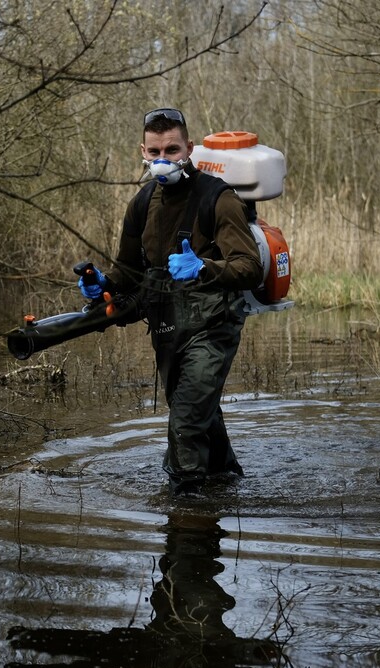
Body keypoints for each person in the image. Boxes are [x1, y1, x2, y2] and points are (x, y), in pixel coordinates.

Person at [81, 108, 263, 495]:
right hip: (168, 329)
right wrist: (102, 286)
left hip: (214, 327)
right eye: (155, 151)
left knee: (184, 421)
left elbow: (249, 267)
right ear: (143, 153)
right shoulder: (141, 204)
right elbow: (128, 274)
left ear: (190, 149)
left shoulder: (218, 197)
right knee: (200, 415)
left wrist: (202, 268)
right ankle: (226, 483)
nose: (163, 159)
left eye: (172, 149)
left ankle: (186, 506)